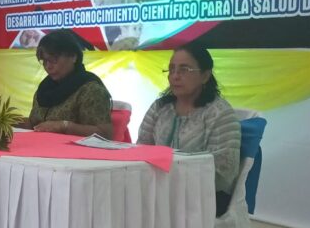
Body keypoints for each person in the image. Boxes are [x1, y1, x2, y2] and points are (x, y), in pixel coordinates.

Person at [138, 43, 241, 216]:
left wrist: (175, 181)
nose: (175, 76)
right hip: (160, 188)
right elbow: (141, 149)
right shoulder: (160, 108)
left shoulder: (220, 114)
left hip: (205, 197)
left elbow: (224, 175)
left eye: (184, 70)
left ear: (205, 76)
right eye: (171, 69)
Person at [22, 29, 114, 139]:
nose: (48, 66)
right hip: (40, 146)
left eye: (54, 60)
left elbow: (105, 134)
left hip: (74, 150)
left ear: (73, 56)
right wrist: (10, 120)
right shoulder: (45, 88)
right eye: (45, 61)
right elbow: (35, 125)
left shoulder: (91, 90)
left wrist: (65, 126)